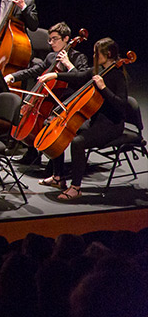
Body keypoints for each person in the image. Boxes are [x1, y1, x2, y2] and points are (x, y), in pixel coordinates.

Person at [39, 37, 133, 201]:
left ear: (109, 53)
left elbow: (121, 105)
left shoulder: (118, 76)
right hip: (97, 121)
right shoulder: (98, 71)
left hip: (112, 125)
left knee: (78, 141)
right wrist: (55, 75)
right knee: (60, 128)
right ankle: (58, 177)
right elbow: (78, 76)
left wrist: (103, 88)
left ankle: (76, 187)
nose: (94, 56)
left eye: (98, 53)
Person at [6, 21, 86, 167]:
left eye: (55, 39)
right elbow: (34, 70)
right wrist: (13, 77)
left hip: (68, 101)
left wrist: (68, 64)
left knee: (48, 123)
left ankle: (54, 165)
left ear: (66, 38)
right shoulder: (51, 57)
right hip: (48, 100)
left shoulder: (78, 58)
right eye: (50, 39)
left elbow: (81, 81)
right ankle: (32, 153)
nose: (51, 43)